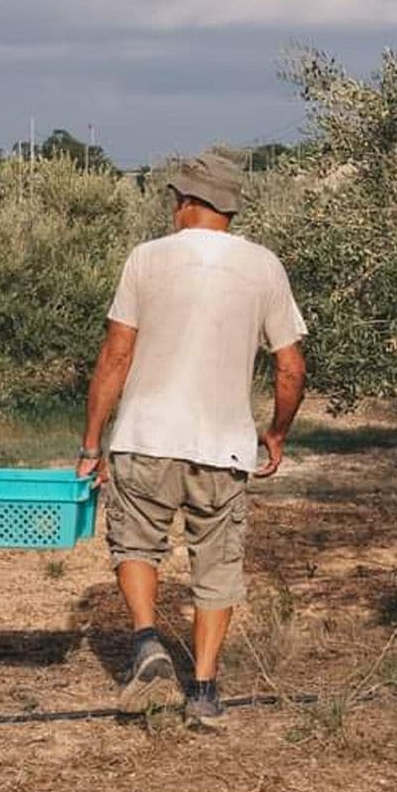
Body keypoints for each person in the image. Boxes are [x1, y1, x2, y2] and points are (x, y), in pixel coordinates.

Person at [76, 152, 306, 728]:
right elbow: (291, 368)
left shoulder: (146, 260)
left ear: (184, 202)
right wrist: (276, 433)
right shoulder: (263, 267)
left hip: (146, 434)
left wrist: (90, 442)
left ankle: (148, 640)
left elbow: (116, 356)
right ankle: (203, 690)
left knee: (135, 545)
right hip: (223, 445)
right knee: (218, 566)